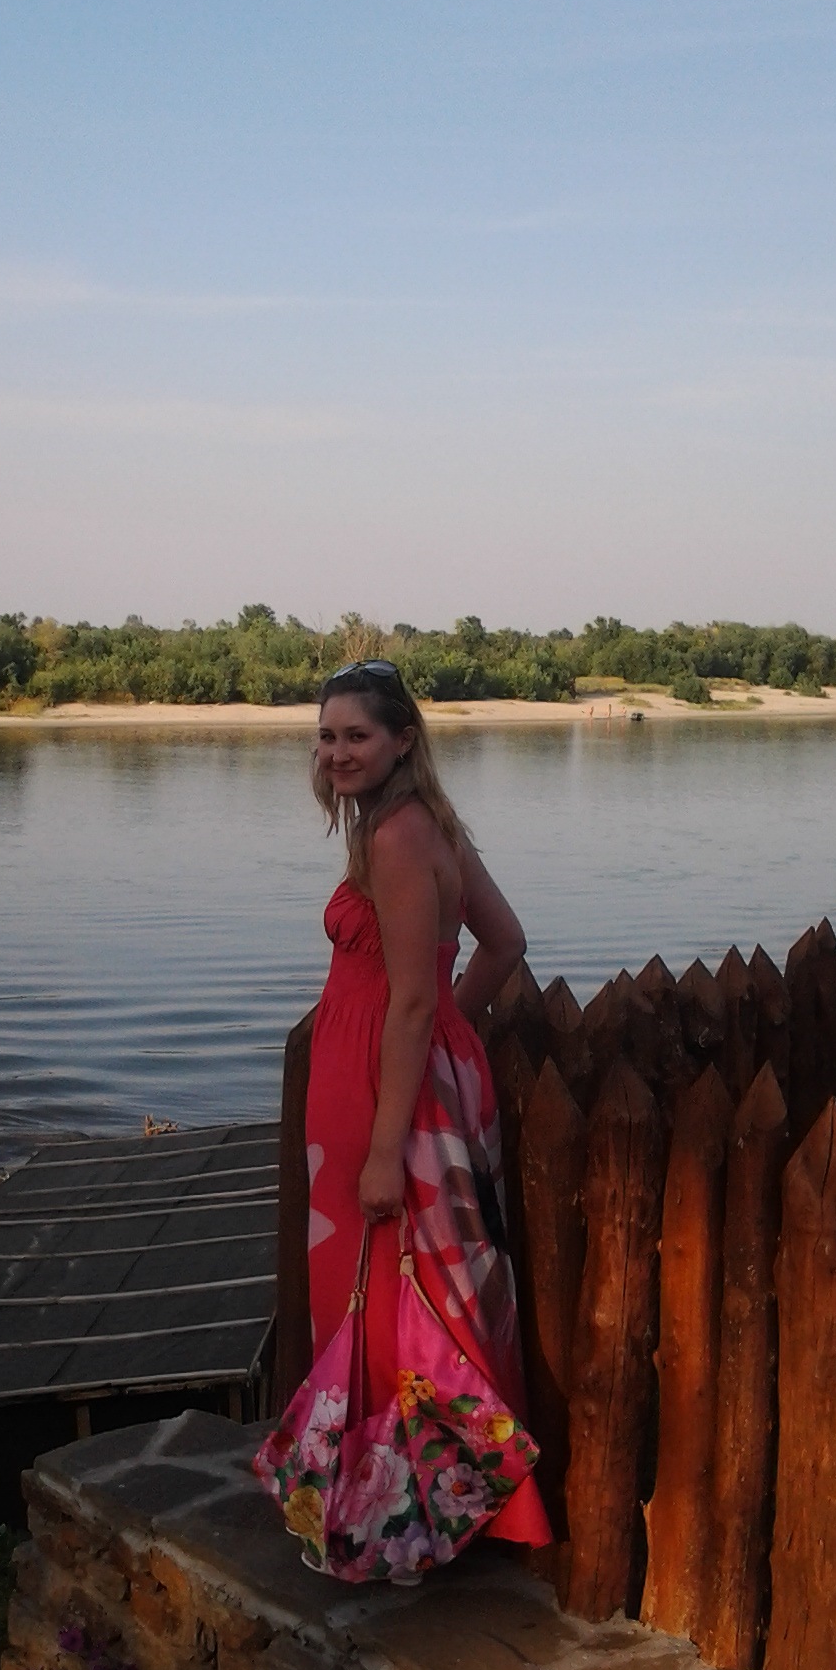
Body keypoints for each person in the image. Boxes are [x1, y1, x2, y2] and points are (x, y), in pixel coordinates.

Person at [302, 658, 552, 1556]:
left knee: (381, 1296)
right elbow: (504, 942)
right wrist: (456, 1023)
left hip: (383, 1090)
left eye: (357, 735)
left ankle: (396, 1528)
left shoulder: (399, 838)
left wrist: (384, 1150)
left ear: (402, 740)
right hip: (398, 1073)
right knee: (416, 1290)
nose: (337, 752)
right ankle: (423, 1510)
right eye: (327, 736)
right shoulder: (425, 823)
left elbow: (410, 1001)